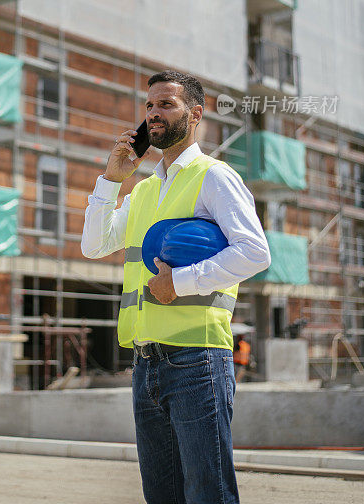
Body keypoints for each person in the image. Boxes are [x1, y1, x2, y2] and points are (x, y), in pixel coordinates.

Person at [82, 70, 271, 504]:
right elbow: (93, 246)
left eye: (166, 104)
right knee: (161, 495)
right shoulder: (144, 191)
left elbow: (255, 252)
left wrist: (181, 283)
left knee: (209, 494)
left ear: (196, 114)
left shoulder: (215, 177)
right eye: (149, 106)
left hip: (197, 361)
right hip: (145, 362)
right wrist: (112, 180)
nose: (154, 114)